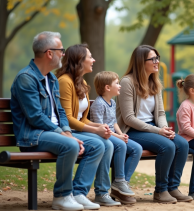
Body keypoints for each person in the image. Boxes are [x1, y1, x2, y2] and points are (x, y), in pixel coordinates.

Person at [10, 31, 105, 210]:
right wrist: (65, 135)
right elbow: (35, 117)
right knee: (70, 145)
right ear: (49, 53)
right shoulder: (26, 78)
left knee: (97, 145)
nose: (63, 53)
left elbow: (60, 111)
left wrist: (67, 131)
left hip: (54, 133)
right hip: (33, 136)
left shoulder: (51, 78)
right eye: (61, 50)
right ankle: (61, 196)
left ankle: (78, 193)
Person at [116, 45, 192, 204]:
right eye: (153, 59)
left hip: (152, 128)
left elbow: (160, 113)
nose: (157, 62)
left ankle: (173, 187)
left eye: (158, 58)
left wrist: (164, 128)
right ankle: (161, 190)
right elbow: (129, 118)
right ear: (140, 62)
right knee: (168, 146)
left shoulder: (155, 83)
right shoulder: (127, 82)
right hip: (132, 130)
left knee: (182, 144)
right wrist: (158, 131)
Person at [55, 44, 120, 207]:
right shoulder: (64, 82)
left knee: (108, 144)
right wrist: (95, 130)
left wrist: (100, 127)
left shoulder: (81, 82)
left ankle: (102, 193)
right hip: (65, 132)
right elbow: (67, 119)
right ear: (79, 60)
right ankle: (78, 192)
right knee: (99, 144)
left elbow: (82, 118)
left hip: (78, 130)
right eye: (90, 57)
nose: (93, 60)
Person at [90, 71, 143, 204]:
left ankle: (122, 183)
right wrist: (118, 137)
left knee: (137, 148)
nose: (120, 86)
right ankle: (119, 180)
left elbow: (114, 123)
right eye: (117, 83)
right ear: (108, 87)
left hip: (113, 134)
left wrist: (121, 134)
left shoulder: (112, 103)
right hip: (102, 135)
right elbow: (101, 128)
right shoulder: (98, 104)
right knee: (121, 145)